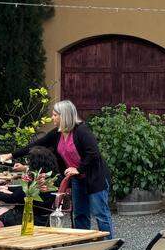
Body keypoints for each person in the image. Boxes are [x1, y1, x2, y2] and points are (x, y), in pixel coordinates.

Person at [7, 100, 113, 236]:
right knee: (80, 214)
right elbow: (36, 144)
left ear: (64, 116)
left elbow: (93, 154)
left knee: (100, 214)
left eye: (55, 115)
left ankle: (109, 247)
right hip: (77, 180)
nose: (52, 118)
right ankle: (82, 245)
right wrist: (11, 155)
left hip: (94, 178)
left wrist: (79, 169)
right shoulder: (58, 133)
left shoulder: (81, 131)